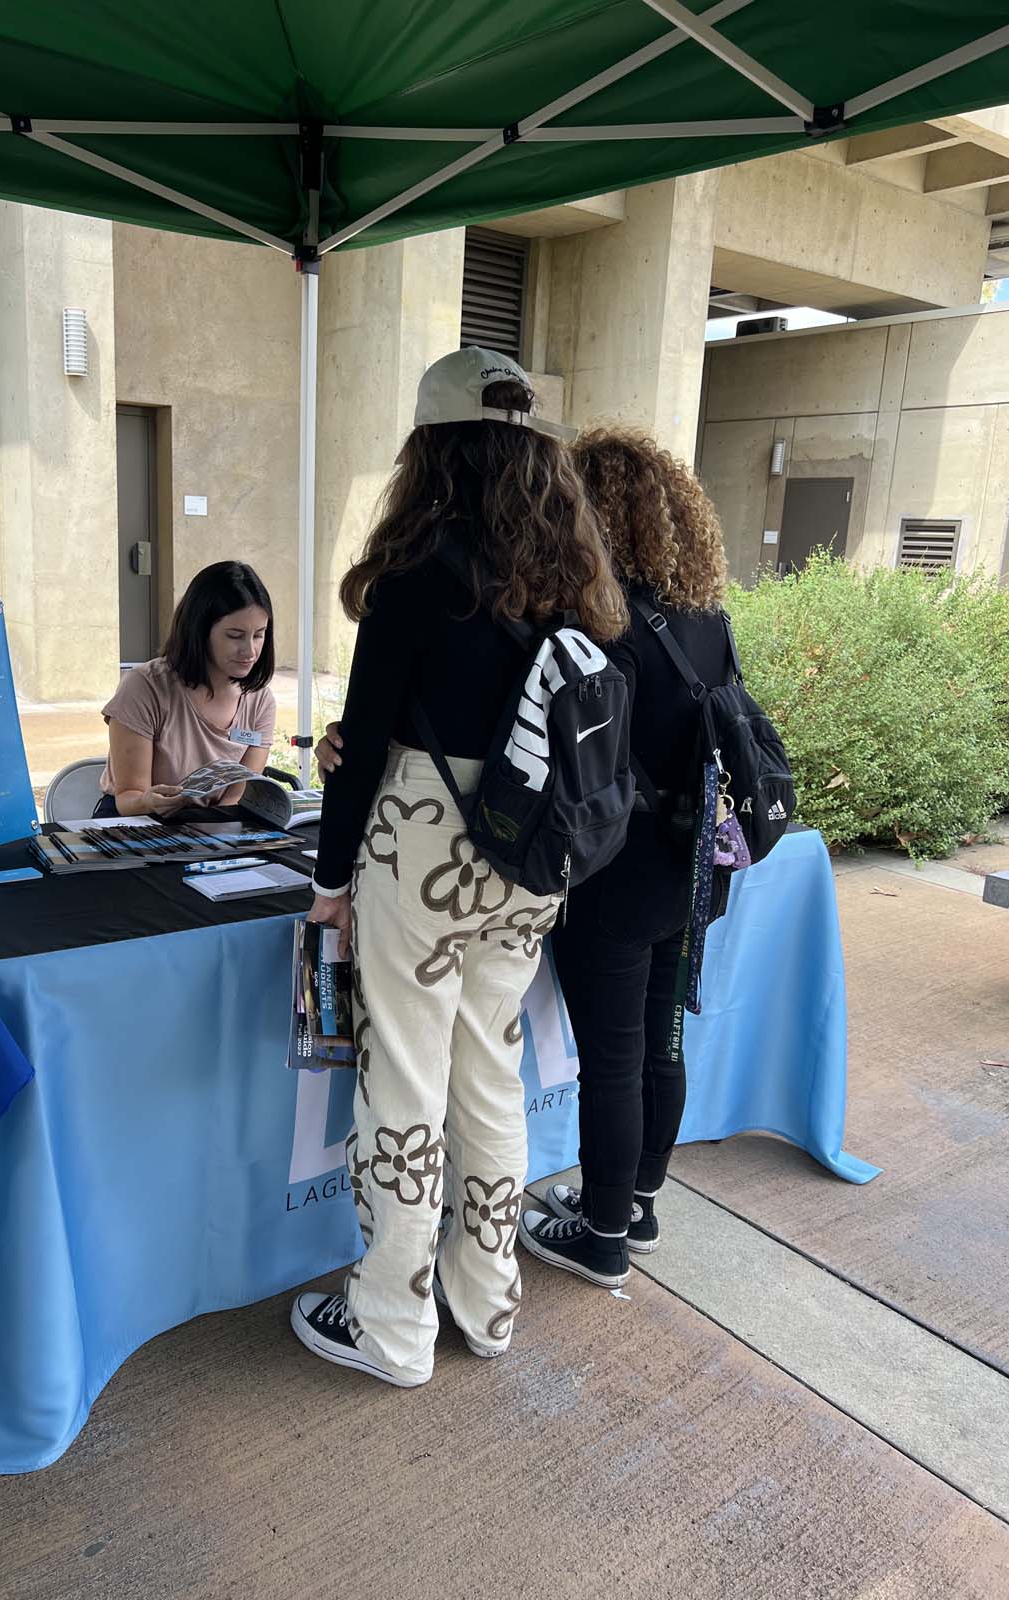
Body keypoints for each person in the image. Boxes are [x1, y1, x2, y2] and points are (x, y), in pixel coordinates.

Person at [291, 347, 626, 1388]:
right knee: (492, 1067)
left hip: (421, 848)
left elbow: (367, 748)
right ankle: (485, 1306)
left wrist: (329, 878)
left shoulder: (416, 575)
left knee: (403, 1078)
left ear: (429, 450)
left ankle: (390, 1323)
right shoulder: (575, 578)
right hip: (531, 857)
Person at [516, 429, 732, 1287]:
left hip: (609, 876)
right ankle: (636, 1206)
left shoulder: (593, 627)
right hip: (693, 869)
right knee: (660, 1042)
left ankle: (601, 1236)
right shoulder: (706, 620)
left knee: (612, 1058)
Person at [96, 561, 277, 819]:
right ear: (199, 631)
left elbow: (236, 796)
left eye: (259, 635)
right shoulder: (145, 687)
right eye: (235, 636)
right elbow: (128, 798)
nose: (250, 651)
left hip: (212, 823)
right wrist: (149, 802)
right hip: (135, 822)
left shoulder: (260, 701)